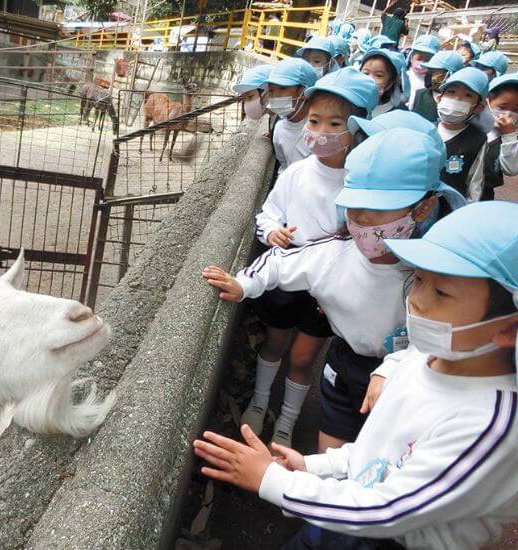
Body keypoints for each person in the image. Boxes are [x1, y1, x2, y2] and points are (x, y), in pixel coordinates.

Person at [194, 201, 518, 550]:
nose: (417, 300)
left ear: (509, 328)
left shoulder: (490, 424)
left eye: (442, 292)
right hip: (349, 511)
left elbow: (390, 510)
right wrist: (313, 466)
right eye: (419, 280)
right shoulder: (422, 357)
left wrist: (271, 481)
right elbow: (378, 452)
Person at [207, 128, 464, 453]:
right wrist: (243, 284)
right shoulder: (334, 252)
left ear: (423, 209)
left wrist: (394, 368)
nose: (361, 222)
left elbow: (447, 337)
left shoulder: (434, 273)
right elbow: (279, 263)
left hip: (410, 374)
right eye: (354, 211)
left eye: (377, 212)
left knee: (386, 454)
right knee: (332, 450)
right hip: (345, 362)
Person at [245, 68, 378, 448]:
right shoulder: (296, 174)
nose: (320, 130)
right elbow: (268, 213)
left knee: (303, 358)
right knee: (275, 342)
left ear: (357, 128)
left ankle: (286, 423)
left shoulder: (361, 182)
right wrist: (272, 232)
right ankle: (258, 402)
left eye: (334, 123)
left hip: (327, 288)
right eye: (315, 119)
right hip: (287, 275)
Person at [435, 67, 489, 200]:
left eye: (468, 95)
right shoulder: (425, 129)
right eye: (451, 92)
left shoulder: (477, 139)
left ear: (478, 107)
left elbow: (475, 181)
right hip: (418, 206)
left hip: (451, 206)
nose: (457, 98)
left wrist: (468, 211)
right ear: (439, 98)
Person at [262, 58, 317, 173]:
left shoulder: (321, 130)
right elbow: (284, 165)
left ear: (303, 92)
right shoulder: (279, 128)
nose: (275, 95)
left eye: (283, 88)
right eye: (271, 90)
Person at [483, 73, 518, 200]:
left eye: (516, 110)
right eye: (502, 107)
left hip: (485, 193)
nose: (508, 113)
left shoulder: (513, 135)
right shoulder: (474, 124)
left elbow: (511, 169)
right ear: (488, 100)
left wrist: (509, 135)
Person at [411, 50, 463, 123]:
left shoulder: (461, 103)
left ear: (449, 75)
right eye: (429, 71)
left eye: (434, 72)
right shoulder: (419, 95)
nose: (429, 74)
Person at [360, 48, 409, 117]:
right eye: (365, 73)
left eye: (378, 75)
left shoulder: (399, 114)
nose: (369, 79)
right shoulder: (350, 105)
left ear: (391, 81)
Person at [470, 51, 509, 132]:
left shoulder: (497, 96)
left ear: (497, 73)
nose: (478, 70)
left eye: (484, 67)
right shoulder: (470, 86)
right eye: (477, 66)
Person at [404, 34, 440, 109]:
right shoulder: (403, 76)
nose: (422, 63)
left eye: (427, 60)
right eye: (419, 58)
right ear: (411, 56)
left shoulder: (435, 84)